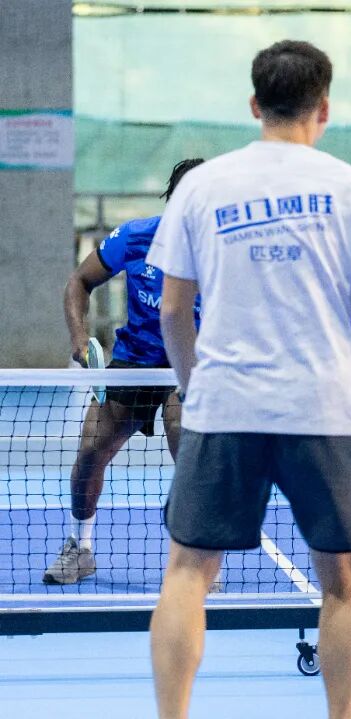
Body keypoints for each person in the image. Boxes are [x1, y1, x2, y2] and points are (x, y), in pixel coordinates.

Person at [146, 40, 351, 719]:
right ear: (325, 108)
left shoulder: (200, 187)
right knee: (343, 581)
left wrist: (195, 387)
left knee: (187, 572)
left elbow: (172, 310)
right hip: (322, 410)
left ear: (254, 104)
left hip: (223, 408)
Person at [44, 158, 204, 585]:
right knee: (90, 450)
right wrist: (80, 337)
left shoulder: (226, 250)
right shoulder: (135, 237)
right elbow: (79, 282)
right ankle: (80, 547)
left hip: (190, 365)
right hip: (135, 361)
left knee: (184, 437)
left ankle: (195, 555)